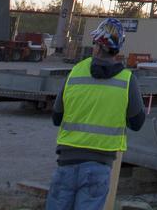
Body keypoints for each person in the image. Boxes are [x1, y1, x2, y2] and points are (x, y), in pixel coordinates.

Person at [46, 17, 146, 210]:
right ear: (117, 49)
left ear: (97, 47)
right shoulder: (127, 81)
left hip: (66, 163)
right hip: (99, 165)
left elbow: (56, 117)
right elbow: (137, 122)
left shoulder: (75, 72)